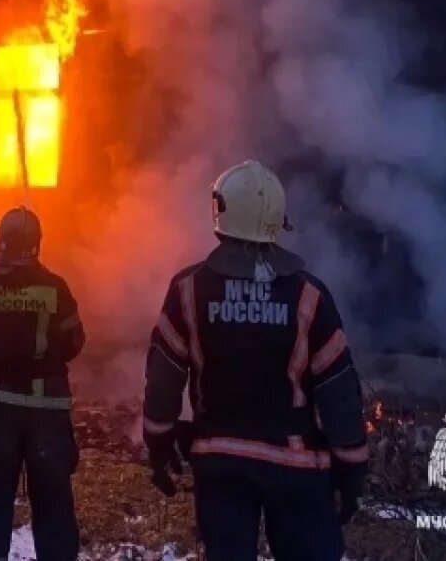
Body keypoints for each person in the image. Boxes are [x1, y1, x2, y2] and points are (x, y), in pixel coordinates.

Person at [141, 160, 368, 561]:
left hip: (220, 464)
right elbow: (340, 393)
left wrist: (159, 445)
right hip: (296, 467)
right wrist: (351, 469)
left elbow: (163, 380)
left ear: (222, 211)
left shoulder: (189, 289)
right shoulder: (309, 295)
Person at [0, 206, 86, 561]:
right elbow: (75, 341)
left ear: (0, 240)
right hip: (47, 413)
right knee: (53, 502)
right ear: (36, 244)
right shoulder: (55, 287)